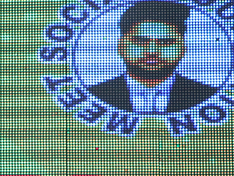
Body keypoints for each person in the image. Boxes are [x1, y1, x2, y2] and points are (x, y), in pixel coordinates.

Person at [87, 0, 216, 113]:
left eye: (166, 43)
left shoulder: (206, 96)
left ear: (183, 48)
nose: (152, 51)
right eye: (140, 42)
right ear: (121, 46)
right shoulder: (95, 95)